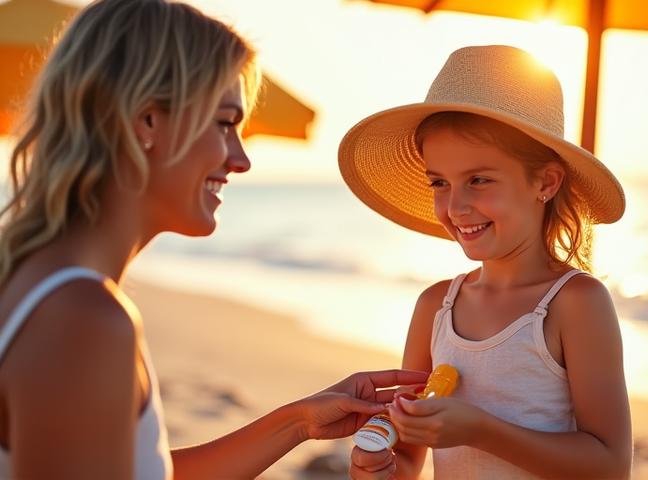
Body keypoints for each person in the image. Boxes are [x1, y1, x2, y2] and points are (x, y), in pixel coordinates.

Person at [0, 1, 428, 478]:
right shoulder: (85, 320)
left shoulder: (39, 284)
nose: (240, 159)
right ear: (147, 122)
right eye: (225, 123)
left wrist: (297, 422)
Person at [339, 45, 632, 479]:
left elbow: (609, 466)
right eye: (440, 182)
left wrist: (479, 430)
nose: (455, 206)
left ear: (546, 182)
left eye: (479, 180)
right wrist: (376, 464)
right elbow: (408, 460)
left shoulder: (575, 303)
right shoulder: (435, 307)